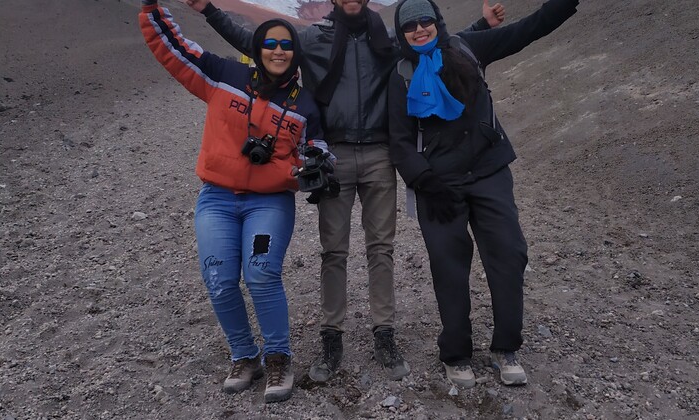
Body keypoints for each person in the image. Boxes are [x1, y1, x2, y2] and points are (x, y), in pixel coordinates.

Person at [184, 0, 507, 383]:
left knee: (381, 249)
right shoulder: (312, 38)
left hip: (380, 154)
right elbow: (256, 42)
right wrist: (209, 10)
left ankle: (384, 333)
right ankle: (331, 336)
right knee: (333, 251)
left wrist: (482, 24)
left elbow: (435, 44)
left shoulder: (387, 39)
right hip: (333, 154)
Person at [139, 0, 334, 402]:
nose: (278, 50)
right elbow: (174, 49)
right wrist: (150, 8)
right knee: (219, 278)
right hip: (217, 200)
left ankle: (279, 357)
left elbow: (315, 149)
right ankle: (245, 356)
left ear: (294, 54)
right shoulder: (224, 76)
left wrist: (318, 160)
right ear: (258, 48)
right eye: (270, 43)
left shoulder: (304, 105)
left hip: (269, 204)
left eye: (286, 45)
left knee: (261, 271)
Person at [387, 0, 579, 388]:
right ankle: (456, 353)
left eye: (426, 20)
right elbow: (399, 141)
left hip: (489, 171)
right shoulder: (400, 74)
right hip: (438, 186)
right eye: (410, 25)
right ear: (402, 33)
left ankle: (506, 347)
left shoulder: (467, 48)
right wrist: (425, 182)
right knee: (449, 267)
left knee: (509, 253)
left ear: (437, 21)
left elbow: (527, 29)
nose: (420, 29)